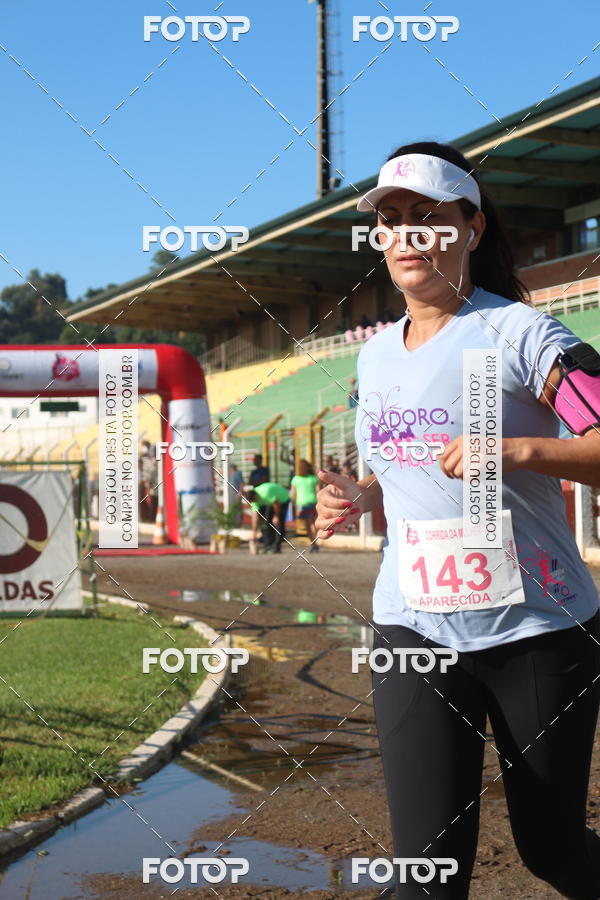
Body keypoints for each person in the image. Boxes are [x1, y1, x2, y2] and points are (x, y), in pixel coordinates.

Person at [315, 141, 600, 900]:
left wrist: (515, 449)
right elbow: (404, 461)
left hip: (537, 630)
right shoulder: (374, 358)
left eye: (429, 218)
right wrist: (361, 496)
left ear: (471, 229)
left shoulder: (525, 336)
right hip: (413, 627)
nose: (408, 235)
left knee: (554, 854)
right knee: (426, 877)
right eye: (393, 220)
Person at [247, 482, 290, 553]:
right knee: (266, 522)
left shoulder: (265, 493)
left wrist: (276, 516)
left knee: (278, 522)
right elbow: (255, 517)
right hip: (270, 502)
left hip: (282, 499)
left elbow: (276, 503)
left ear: (255, 496)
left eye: (254, 500)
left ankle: (277, 547)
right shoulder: (254, 500)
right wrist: (254, 533)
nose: (255, 502)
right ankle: (268, 545)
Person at [290, 459, 320, 552]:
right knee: (313, 523)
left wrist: (294, 507)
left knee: (308, 524)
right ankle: (314, 542)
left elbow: (292, 494)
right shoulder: (313, 478)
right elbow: (318, 491)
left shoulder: (295, 479)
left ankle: (313, 543)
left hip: (302, 504)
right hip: (313, 502)